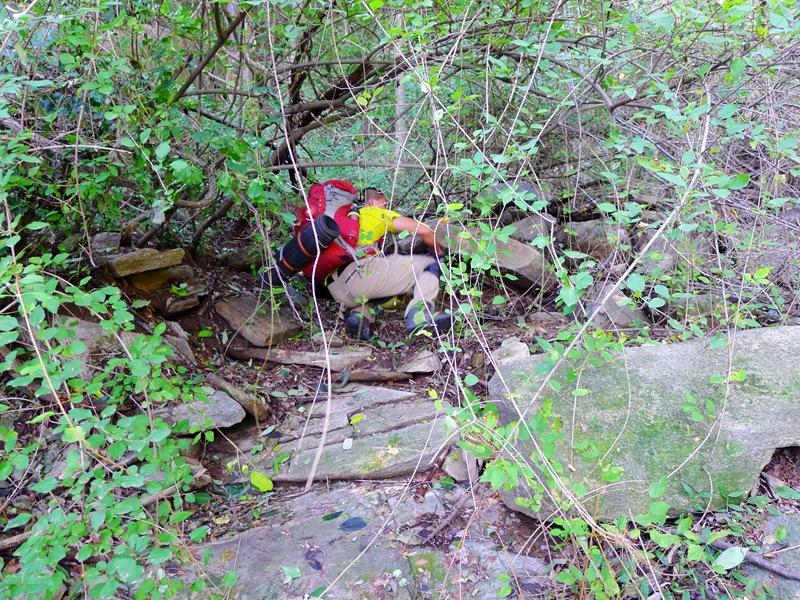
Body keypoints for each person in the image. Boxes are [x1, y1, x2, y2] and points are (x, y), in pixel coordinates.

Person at [325, 188, 452, 340]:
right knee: (429, 263)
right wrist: (438, 252)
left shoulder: (343, 219)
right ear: (372, 202)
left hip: (336, 290)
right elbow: (424, 231)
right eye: (384, 203)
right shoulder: (373, 212)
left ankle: (360, 316)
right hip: (360, 275)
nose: (386, 207)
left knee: (379, 288)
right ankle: (418, 314)